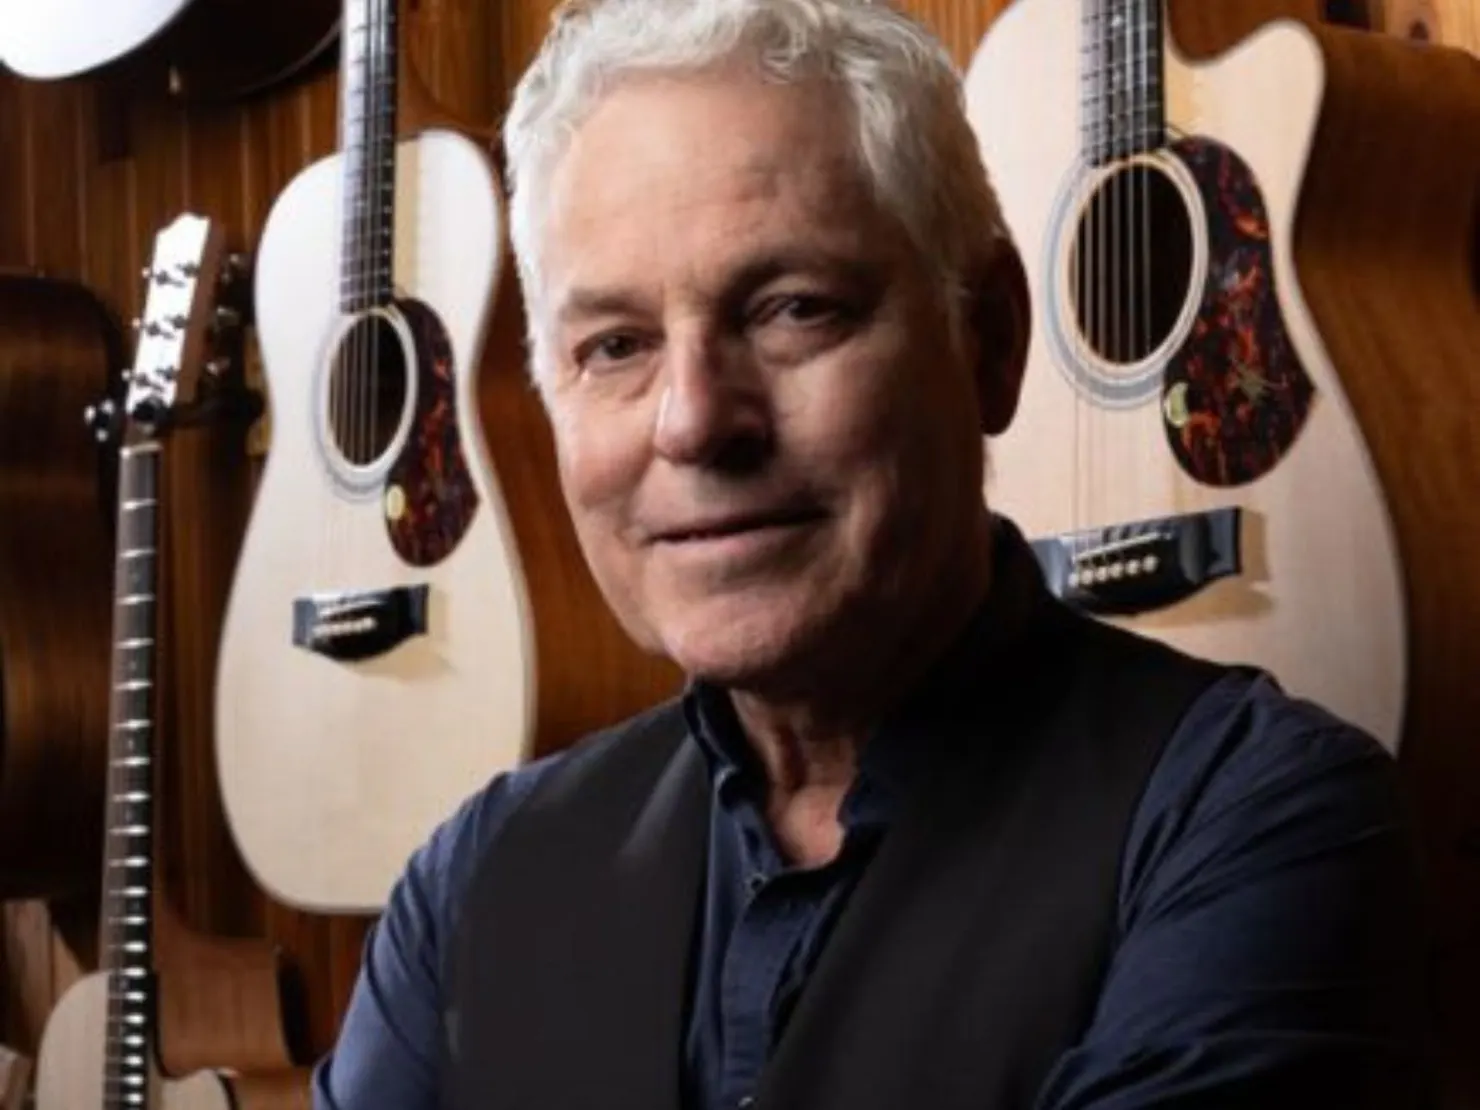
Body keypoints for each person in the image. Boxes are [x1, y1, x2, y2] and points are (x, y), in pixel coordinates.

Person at [311, 0, 1431, 1106]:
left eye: (794, 309)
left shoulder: (1252, 823)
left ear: (987, 340)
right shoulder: (472, 883)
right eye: (616, 346)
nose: (693, 420)